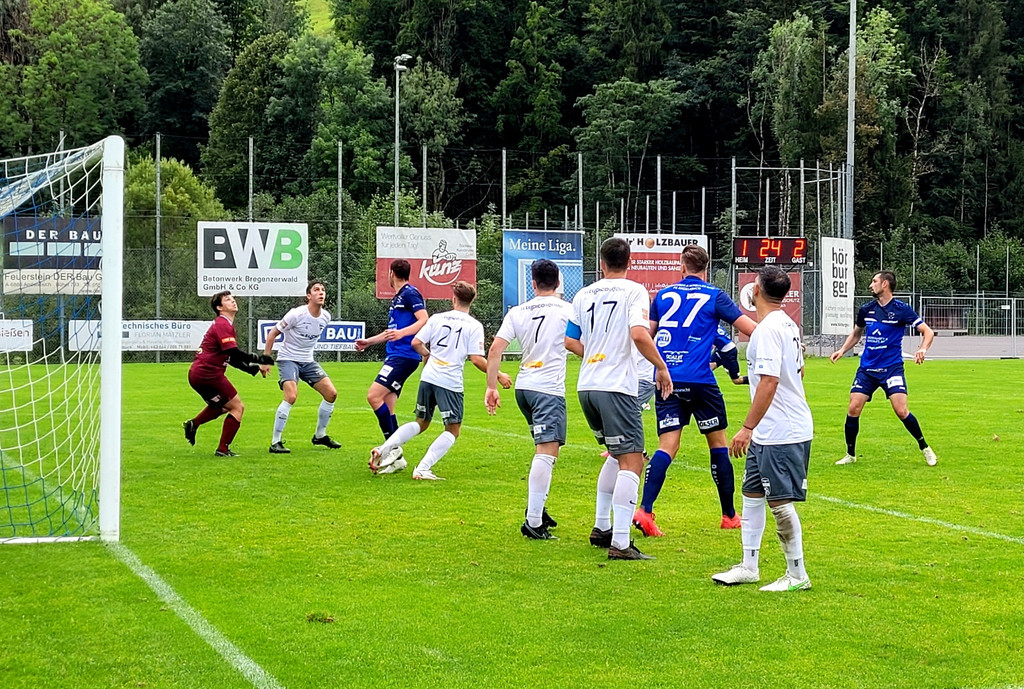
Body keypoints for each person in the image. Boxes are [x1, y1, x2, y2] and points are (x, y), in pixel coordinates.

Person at [634, 245, 756, 538]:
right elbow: (750, 329)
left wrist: (662, 362)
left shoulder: (662, 296)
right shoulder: (715, 295)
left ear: (681, 266)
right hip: (701, 381)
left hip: (668, 380)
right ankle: (729, 515)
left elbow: (647, 336)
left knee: (667, 447)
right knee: (718, 446)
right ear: (707, 266)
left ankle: (645, 510)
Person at [565, 237, 672, 561]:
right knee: (633, 459)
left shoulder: (583, 294)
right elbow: (640, 334)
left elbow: (571, 340)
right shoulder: (634, 291)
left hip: (588, 386)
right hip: (616, 387)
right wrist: (661, 367)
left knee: (615, 453)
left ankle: (601, 527)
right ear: (630, 262)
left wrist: (597, 356)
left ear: (601, 263)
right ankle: (621, 543)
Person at [713, 265, 814, 592]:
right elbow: (794, 374)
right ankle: (749, 565)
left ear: (756, 291)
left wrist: (746, 427)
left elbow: (770, 381)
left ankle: (797, 574)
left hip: (781, 429)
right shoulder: (786, 323)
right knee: (752, 494)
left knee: (779, 501)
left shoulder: (768, 329)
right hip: (772, 428)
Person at [369, 281, 507, 479]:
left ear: (454, 299)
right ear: (472, 301)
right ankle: (423, 468)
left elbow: (416, 342)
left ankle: (384, 449)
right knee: (453, 429)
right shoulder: (474, 325)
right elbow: (476, 359)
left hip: (429, 377)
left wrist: (428, 355)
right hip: (449, 381)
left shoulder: (437, 318)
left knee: (421, 422)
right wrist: (499, 375)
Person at [486, 259, 573, 540]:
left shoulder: (518, 311)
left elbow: (496, 349)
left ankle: (538, 507)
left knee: (546, 451)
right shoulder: (567, 309)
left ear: (533, 283)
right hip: (548, 389)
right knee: (546, 452)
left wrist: (491, 386)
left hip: (525, 387)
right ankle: (533, 522)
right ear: (558, 283)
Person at [829, 271, 938, 466]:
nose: (871, 285)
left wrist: (922, 348)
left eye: (874, 282)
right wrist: (842, 350)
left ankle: (925, 448)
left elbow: (927, 332)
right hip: (867, 369)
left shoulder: (902, 310)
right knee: (853, 407)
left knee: (901, 410)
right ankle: (850, 454)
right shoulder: (866, 309)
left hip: (892, 369)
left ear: (885, 284)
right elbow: (856, 333)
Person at [183, 291, 273, 456]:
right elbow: (233, 351)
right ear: (219, 307)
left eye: (232, 298)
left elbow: (231, 357)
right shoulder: (223, 324)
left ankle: (193, 424)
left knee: (223, 406)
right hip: (209, 374)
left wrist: (252, 368)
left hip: (199, 374)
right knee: (237, 407)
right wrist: (258, 359)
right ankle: (223, 449)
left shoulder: (223, 324)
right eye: (227, 300)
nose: (233, 301)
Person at [262, 280, 341, 454]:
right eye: (316, 290)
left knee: (331, 394)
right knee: (291, 396)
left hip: (308, 361)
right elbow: (273, 334)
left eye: (323, 290)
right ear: (308, 296)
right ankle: (275, 442)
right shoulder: (296, 314)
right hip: (288, 359)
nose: (321, 293)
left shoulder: (325, 317)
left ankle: (320, 435)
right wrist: (266, 359)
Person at [355, 259, 428, 442]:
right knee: (388, 405)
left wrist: (402, 333)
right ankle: (395, 452)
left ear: (391, 273)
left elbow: (424, 319)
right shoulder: (398, 298)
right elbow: (391, 333)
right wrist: (368, 342)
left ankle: (390, 449)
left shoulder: (410, 293)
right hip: (396, 355)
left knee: (373, 396)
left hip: (404, 356)